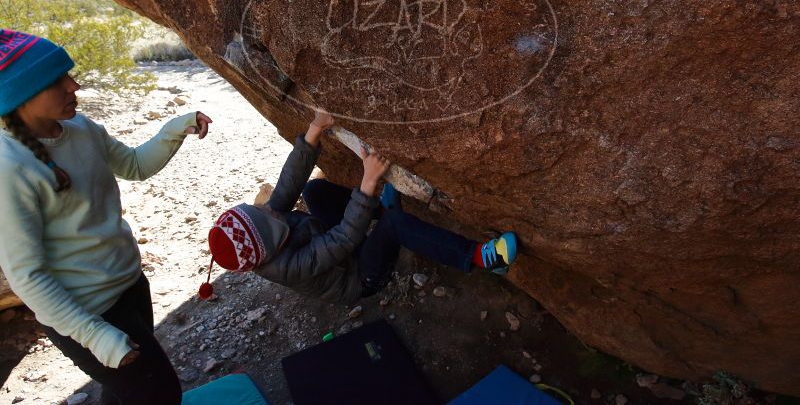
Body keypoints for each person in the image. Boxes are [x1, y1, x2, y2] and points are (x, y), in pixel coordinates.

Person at [0, 29, 213, 404]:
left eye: (69, 74)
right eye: (57, 81)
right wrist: (95, 335)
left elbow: (133, 164)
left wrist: (176, 127)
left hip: (129, 286)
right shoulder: (10, 167)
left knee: (126, 394)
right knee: (161, 395)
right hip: (87, 314)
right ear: (20, 96)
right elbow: (27, 277)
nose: (74, 85)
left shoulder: (81, 129)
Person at [201, 109, 517, 305]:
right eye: (263, 216)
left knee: (314, 190)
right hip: (358, 277)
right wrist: (367, 182)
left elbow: (289, 184)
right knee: (394, 225)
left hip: (333, 248)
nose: (268, 209)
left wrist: (314, 129)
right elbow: (342, 241)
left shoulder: (265, 229)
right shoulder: (286, 268)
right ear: (266, 244)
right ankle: (480, 257)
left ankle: (381, 207)